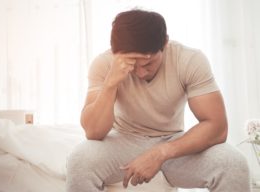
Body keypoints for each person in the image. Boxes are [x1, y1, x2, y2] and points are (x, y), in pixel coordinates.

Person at [66, 9, 251, 192]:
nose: (140, 73)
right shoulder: (103, 64)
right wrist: (110, 84)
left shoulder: (189, 60)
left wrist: (161, 153)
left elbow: (217, 127)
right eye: (132, 65)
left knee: (233, 163)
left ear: (165, 43)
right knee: (79, 160)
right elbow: (93, 133)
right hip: (123, 140)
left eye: (148, 64)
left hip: (173, 142)